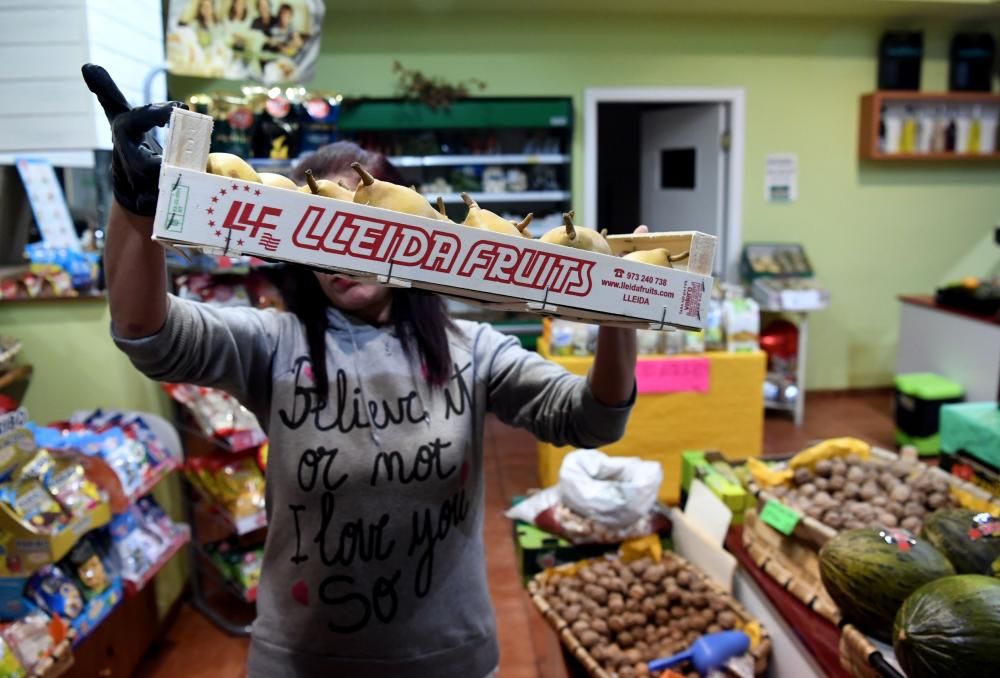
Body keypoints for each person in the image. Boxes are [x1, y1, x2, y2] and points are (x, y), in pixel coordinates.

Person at [81, 64, 639, 678]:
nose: (344, 255)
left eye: (362, 227)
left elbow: (592, 420)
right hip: (300, 660)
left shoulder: (472, 349)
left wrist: (623, 317)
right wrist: (133, 206)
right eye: (322, 233)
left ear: (404, 229)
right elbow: (146, 332)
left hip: (449, 658)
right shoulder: (273, 344)